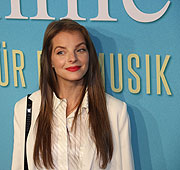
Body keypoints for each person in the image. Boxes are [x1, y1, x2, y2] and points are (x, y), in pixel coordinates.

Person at [11, 19, 134, 170]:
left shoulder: (115, 111)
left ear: (89, 55)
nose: (72, 59)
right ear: (50, 60)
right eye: (61, 52)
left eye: (80, 50)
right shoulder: (25, 108)